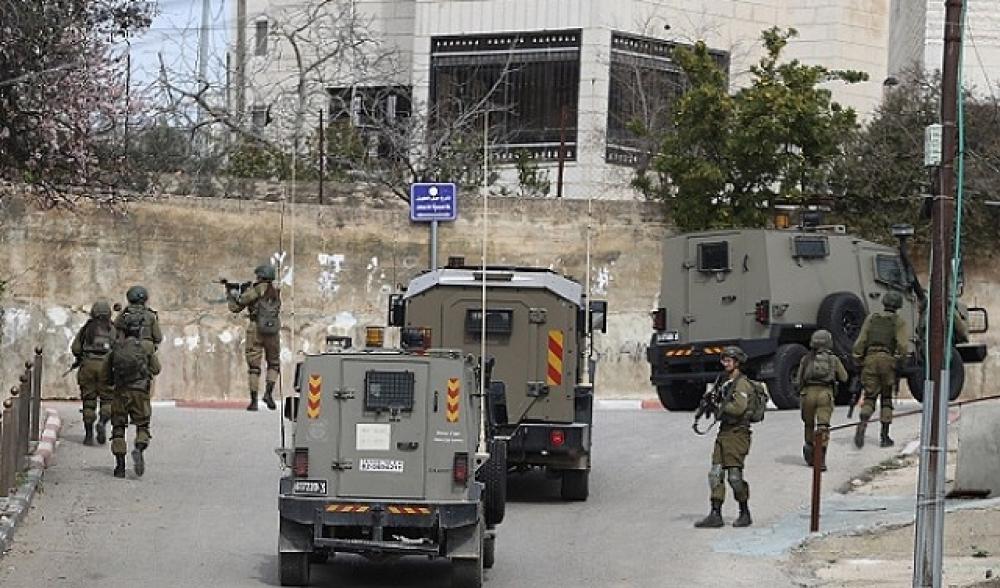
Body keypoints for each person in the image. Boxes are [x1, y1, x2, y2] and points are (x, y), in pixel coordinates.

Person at [694, 346, 754, 529]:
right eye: (724, 360)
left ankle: (744, 512)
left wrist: (719, 406)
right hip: (724, 432)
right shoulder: (722, 381)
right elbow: (713, 397)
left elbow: (738, 408)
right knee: (715, 474)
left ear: (737, 362)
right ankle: (715, 514)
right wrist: (706, 405)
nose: (725, 363)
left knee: (734, 477)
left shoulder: (742, 384)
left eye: (729, 360)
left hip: (738, 434)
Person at [852, 290, 908, 448]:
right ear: (898, 305)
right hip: (887, 361)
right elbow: (903, 345)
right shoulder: (898, 321)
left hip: (870, 360)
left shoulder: (871, 319)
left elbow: (860, 341)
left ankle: (863, 422)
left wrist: (858, 359)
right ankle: (884, 437)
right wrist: (900, 361)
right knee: (886, 399)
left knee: (869, 397)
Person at [107, 316, 161, 478]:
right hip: (140, 393)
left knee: (118, 428)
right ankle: (139, 448)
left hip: (121, 393)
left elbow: (106, 374)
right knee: (142, 426)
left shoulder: (117, 348)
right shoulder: (146, 348)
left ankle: (120, 466)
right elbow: (156, 369)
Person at [228, 264, 281, 411]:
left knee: (254, 368)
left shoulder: (256, 289)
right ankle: (268, 393)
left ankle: (253, 402)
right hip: (273, 330)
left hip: (256, 329)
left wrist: (232, 293)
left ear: (260, 276)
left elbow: (237, 306)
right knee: (274, 364)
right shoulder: (276, 291)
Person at [795, 329, 848, 470]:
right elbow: (844, 377)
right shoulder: (833, 359)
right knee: (823, 426)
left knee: (809, 424)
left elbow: (798, 380)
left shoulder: (806, 359)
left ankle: (809, 451)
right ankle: (821, 459)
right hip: (825, 394)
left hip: (808, 394)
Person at [70, 299, 115, 446]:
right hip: (107, 368)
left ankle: (88, 435)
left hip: (88, 366)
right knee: (107, 400)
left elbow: (76, 348)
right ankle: (102, 422)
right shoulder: (113, 329)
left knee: (88, 402)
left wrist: (80, 358)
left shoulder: (87, 328)